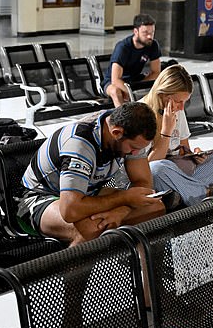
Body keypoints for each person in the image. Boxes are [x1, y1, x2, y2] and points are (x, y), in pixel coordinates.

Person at [17, 102, 166, 245]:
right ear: (116, 133)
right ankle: (71, 271)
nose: (135, 153)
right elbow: (70, 210)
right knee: (92, 227)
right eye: (133, 148)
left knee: (154, 208)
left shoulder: (129, 131)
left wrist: (121, 211)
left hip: (86, 192)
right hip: (36, 198)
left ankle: (146, 270)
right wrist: (124, 198)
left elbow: (143, 184)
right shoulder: (79, 143)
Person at [140, 64, 213, 206]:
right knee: (158, 169)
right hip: (159, 173)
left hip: (179, 170)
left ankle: (179, 194)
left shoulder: (177, 110)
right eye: (179, 101)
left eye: (185, 102)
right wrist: (166, 131)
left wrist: (195, 156)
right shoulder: (141, 114)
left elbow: (184, 148)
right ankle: (204, 192)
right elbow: (146, 168)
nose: (181, 107)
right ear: (162, 94)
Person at [102, 14, 162, 107]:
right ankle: (123, 119)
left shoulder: (153, 45)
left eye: (152, 32)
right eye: (145, 33)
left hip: (134, 80)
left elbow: (156, 72)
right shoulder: (123, 48)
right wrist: (132, 92)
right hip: (112, 82)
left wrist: (140, 87)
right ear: (136, 31)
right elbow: (115, 80)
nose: (150, 36)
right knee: (116, 91)